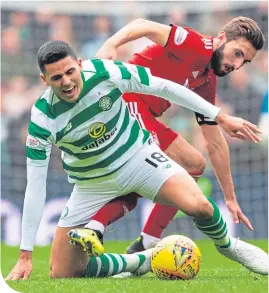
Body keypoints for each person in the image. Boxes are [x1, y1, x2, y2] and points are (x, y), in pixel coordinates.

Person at [5, 40, 266, 281]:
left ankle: (229, 246)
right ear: (44, 80)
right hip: (90, 184)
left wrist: (220, 117)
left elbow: (164, 87)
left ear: (80, 64)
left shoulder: (105, 73)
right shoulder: (41, 118)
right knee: (62, 271)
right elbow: (36, 185)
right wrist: (25, 254)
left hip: (138, 159)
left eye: (70, 72)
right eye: (56, 77)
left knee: (200, 206)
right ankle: (142, 260)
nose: (67, 82)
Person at [82, 16, 267, 256]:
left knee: (192, 165)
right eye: (238, 54)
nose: (237, 65)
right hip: (122, 102)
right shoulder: (195, 44)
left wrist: (230, 198)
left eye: (245, 61)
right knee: (186, 163)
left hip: (139, 113)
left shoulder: (206, 79)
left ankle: (100, 228)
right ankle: (142, 240)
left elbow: (215, 143)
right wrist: (111, 44)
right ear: (221, 38)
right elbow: (144, 25)